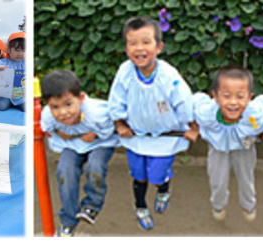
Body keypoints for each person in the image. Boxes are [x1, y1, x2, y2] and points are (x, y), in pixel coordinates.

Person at [107, 16, 197, 230]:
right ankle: (140, 206)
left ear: (159, 47)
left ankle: (163, 188)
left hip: (165, 138)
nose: (140, 49)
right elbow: (116, 99)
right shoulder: (125, 72)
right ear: (126, 48)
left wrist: (191, 127)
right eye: (133, 43)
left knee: (156, 176)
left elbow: (183, 101)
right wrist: (120, 124)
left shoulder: (168, 75)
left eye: (146, 42)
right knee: (138, 175)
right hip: (136, 137)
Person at [40, 70, 118, 237]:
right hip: (72, 145)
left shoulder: (97, 113)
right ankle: (68, 220)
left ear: (81, 99)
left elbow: (112, 125)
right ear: (47, 105)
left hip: (100, 143)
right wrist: (60, 133)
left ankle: (92, 205)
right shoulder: (48, 116)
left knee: (95, 167)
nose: (63, 113)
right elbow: (47, 130)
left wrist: (96, 134)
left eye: (68, 104)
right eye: (55, 107)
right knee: (64, 171)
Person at [191, 66, 263, 222]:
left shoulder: (254, 115)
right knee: (217, 179)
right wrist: (193, 126)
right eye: (226, 96)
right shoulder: (206, 113)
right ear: (215, 96)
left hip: (244, 148)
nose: (233, 102)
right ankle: (218, 205)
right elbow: (192, 106)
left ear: (249, 97)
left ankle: (248, 205)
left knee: (246, 178)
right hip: (218, 148)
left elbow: (261, 124)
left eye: (240, 96)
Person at [0, 32, 25, 111]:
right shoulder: (3, 62)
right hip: (6, 95)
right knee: (0, 106)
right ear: (9, 50)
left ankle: (15, 104)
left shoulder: (25, 62)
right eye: (17, 50)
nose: (20, 53)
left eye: (23, 50)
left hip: (21, 96)